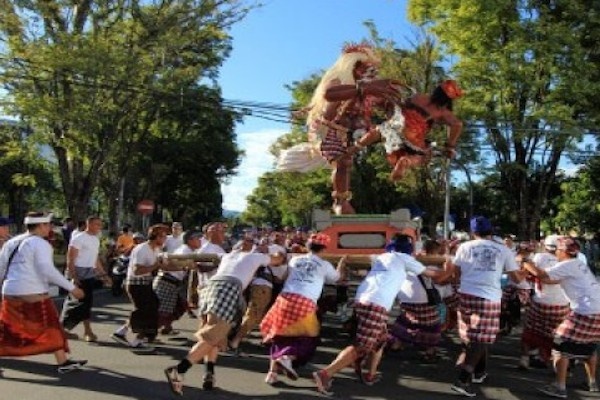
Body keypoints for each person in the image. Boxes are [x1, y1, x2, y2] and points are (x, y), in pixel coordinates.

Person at [313, 234, 451, 395]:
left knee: (380, 340)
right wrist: (449, 266)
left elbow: (359, 264)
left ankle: (370, 374)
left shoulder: (380, 256)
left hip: (363, 299)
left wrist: (344, 260)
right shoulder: (404, 259)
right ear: (409, 249)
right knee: (362, 345)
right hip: (376, 304)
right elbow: (436, 275)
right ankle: (325, 373)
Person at [163, 246, 286, 396]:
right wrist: (280, 253)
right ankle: (178, 370)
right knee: (213, 334)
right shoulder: (256, 257)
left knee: (216, 333)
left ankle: (210, 373)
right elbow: (277, 259)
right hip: (229, 288)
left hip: (211, 287)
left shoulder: (228, 256)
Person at [305, 42, 404, 214]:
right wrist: (363, 88)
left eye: (372, 69)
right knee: (343, 162)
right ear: (353, 67)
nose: (371, 72)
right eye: (365, 68)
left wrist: (394, 108)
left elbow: (387, 104)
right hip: (330, 130)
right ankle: (340, 201)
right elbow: (330, 95)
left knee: (349, 160)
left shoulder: (371, 90)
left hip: (354, 133)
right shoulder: (339, 82)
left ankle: (400, 160)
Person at [0, 211, 87, 373]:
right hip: (32, 290)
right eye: (48, 224)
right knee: (51, 325)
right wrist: (72, 288)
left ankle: (63, 361)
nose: (50, 227)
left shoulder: (11, 242)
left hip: (9, 290)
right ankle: (63, 362)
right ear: (40, 225)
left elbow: (1, 268)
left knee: (8, 329)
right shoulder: (40, 243)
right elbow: (47, 270)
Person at [448, 216, 524, 397]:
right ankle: (464, 379)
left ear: (473, 232)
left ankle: (479, 373)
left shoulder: (464, 247)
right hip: (489, 298)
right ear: (491, 231)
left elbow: (456, 274)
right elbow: (516, 278)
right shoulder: (503, 250)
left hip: (466, 294)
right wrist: (526, 269)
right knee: (482, 339)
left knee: (471, 336)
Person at [260, 233, 346, 386]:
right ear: (325, 248)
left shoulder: (295, 259)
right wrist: (342, 263)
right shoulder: (325, 265)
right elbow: (338, 278)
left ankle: (272, 373)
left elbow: (285, 276)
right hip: (305, 302)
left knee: (279, 336)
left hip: (284, 299)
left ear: (308, 246)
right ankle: (287, 358)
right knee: (309, 338)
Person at [522, 237, 600, 398]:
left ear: (564, 251)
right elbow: (551, 280)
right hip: (596, 308)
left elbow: (541, 274)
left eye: (557, 249)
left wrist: (524, 260)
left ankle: (559, 387)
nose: (555, 252)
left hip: (586, 310)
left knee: (559, 344)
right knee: (589, 345)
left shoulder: (566, 265)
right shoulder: (579, 264)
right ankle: (592, 383)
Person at [350, 79, 464, 181]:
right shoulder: (443, 112)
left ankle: (353, 149)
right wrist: (450, 146)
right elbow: (457, 124)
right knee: (423, 157)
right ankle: (407, 160)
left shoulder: (419, 97)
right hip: (414, 134)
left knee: (379, 131)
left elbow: (402, 105)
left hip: (398, 124)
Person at [111, 224, 170, 350]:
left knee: (149, 308)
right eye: (163, 236)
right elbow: (137, 270)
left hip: (146, 283)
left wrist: (183, 266)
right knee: (146, 311)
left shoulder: (156, 249)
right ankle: (137, 340)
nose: (165, 239)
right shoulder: (142, 249)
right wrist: (155, 266)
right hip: (136, 284)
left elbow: (162, 266)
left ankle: (122, 332)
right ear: (155, 236)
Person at [227, 238, 288, 354]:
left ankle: (266, 338)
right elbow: (279, 260)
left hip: (251, 284)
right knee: (253, 314)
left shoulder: (249, 253)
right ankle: (235, 341)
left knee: (258, 314)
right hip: (261, 285)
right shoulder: (268, 252)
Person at [519, 235, 570, 370]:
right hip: (561, 304)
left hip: (541, 302)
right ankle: (555, 366)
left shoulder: (539, 257)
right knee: (557, 336)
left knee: (529, 331)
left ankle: (524, 359)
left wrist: (524, 260)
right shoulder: (568, 261)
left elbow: (527, 273)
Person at [61, 216, 111, 342]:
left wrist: (104, 275)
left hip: (88, 273)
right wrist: (74, 276)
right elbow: (70, 259)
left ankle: (86, 331)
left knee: (86, 304)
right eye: (96, 224)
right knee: (76, 303)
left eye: (100, 225)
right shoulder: (79, 238)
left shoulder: (95, 239)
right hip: (77, 272)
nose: (99, 227)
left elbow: (95, 259)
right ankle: (62, 329)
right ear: (88, 224)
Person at [154, 229, 203, 335]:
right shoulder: (185, 251)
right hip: (167, 282)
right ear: (190, 240)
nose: (200, 241)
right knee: (163, 312)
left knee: (178, 307)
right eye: (198, 239)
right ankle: (147, 334)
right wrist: (185, 267)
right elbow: (168, 266)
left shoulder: (189, 251)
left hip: (173, 282)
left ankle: (166, 327)